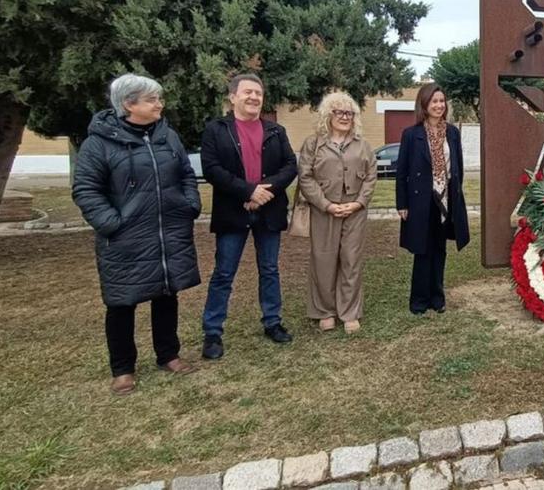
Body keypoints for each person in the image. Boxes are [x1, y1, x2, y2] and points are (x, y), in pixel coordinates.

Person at [72, 73, 201, 395]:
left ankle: (168, 354)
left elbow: (186, 173)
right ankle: (123, 368)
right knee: (121, 303)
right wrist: (112, 223)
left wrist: (190, 205)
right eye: (152, 100)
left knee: (166, 294)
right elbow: (86, 189)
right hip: (125, 237)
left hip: (167, 230)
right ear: (129, 104)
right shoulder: (98, 143)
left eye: (159, 98)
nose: (160, 104)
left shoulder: (166, 136)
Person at [199, 73, 298, 359]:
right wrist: (248, 192)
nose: (254, 97)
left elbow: (290, 165)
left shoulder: (276, 131)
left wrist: (265, 191)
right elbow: (212, 169)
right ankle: (213, 331)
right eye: (248, 92)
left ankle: (272, 322)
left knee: (270, 269)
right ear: (233, 97)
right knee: (224, 273)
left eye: (259, 93)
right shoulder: (216, 130)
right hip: (233, 212)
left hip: (269, 211)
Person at [297, 91, 377, 333]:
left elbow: (371, 177)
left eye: (349, 113)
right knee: (324, 260)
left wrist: (358, 203)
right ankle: (324, 311)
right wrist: (326, 204)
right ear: (328, 115)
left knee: (351, 261)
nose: (344, 117)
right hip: (324, 210)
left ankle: (350, 311)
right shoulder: (313, 144)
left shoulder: (363, 145)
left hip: (355, 210)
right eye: (339, 112)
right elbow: (305, 177)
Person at [396, 83, 470, 316]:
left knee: (440, 249)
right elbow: (402, 172)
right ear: (424, 105)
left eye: (442, 101)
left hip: (446, 199)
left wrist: (455, 193)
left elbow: (458, 166)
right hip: (421, 200)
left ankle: (437, 298)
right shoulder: (412, 134)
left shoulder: (453, 133)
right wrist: (402, 203)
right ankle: (419, 300)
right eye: (434, 101)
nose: (439, 105)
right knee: (422, 250)